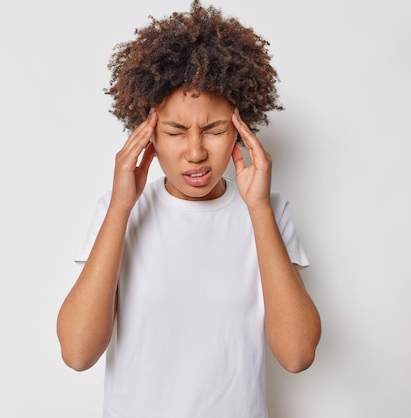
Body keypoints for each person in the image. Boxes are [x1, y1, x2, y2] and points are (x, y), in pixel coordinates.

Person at [57, 1, 321, 417]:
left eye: (215, 130)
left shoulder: (268, 212)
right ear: (148, 134)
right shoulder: (119, 211)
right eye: (176, 131)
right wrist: (122, 207)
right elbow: (76, 353)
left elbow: (297, 354)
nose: (196, 152)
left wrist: (258, 211)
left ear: (241, 129)